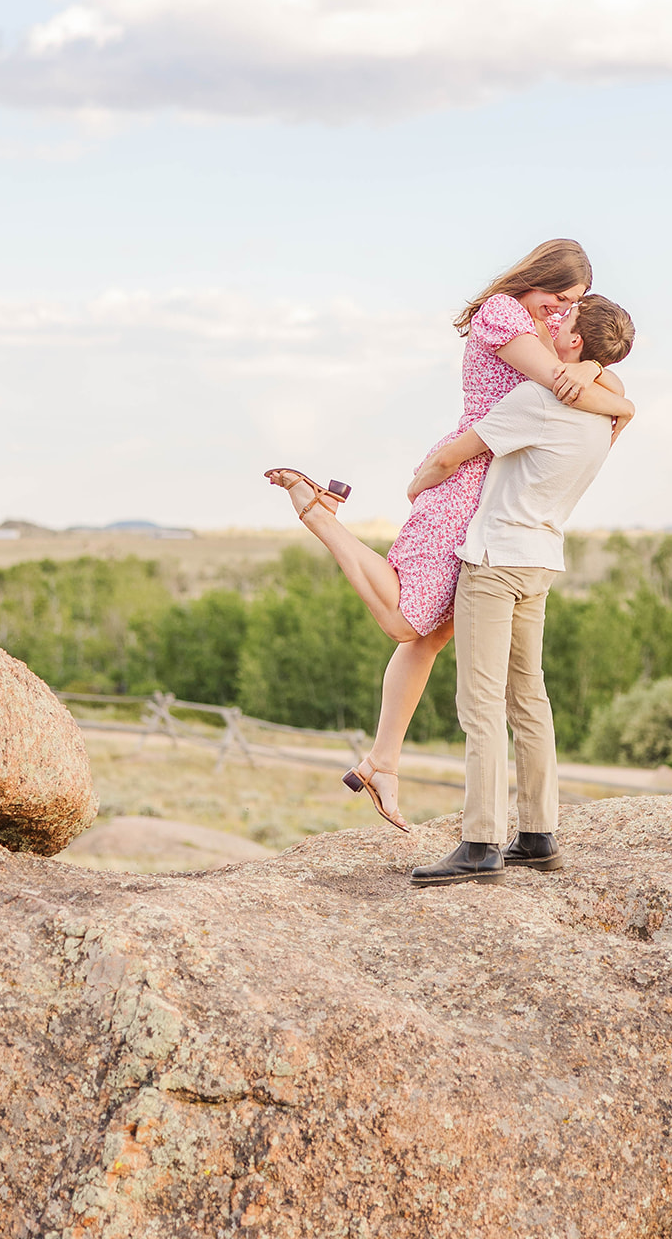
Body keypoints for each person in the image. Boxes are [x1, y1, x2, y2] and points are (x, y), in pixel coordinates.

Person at [264, 239, 634, 830]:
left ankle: (382, 762)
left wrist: (597, 374)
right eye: (558, 299)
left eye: (574, 305)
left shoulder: (544, 326)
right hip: (469, 473)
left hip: (496, 481)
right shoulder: (504, 314)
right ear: (534, 281)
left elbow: (583, 379)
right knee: (404, 621)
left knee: (429, 638)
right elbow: (562, 386)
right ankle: (320, 517)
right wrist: (622, 401)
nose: (563, 313)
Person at [409, 294, 635, 885]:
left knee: (479, 704)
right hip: (540, 561)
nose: (552, 326)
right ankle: (538, 833)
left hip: (494, 561)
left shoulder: (537, 399)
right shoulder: (604, 417)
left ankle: (479, 842)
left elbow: (455, 455)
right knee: (529, 699)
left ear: (578, 343)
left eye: (562, 323)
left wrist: (416, 489)